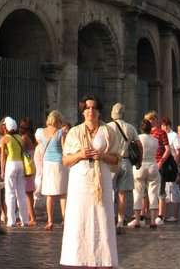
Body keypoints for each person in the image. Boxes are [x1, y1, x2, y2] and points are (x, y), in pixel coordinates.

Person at [60, 94, 120, 268]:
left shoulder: (108, 131)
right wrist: (80, 154)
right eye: (87, 108)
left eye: (94, 108)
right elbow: (66, 160)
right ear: (82, 111)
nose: (90, 111)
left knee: (103, 218)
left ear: (99, 110)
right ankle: (78, 258)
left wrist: (102, 156)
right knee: (80, 219)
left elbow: (117, 158)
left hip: (102, 179)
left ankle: (104, 259)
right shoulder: (74, 132)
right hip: (80, 181)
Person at [109, 102, 140, 234]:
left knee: (109, 193)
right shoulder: (130, 128)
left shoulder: (107, 127)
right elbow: (139, 145)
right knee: (122, 194)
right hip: (126, 162)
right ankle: (120, 222)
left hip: (111, 162)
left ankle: (109, 220)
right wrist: (139, 160)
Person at [36, 110, 68, 230]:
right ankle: (65, 220)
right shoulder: (60, 132)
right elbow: (64, 149)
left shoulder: (42, 132)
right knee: (62, 193)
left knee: (50, 194)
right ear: (58, 121)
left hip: (47, 163)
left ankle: (50, 221)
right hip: (59, 162)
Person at [128, 118, 161, 229]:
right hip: (152, 165)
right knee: (153, 193)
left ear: (141, 128)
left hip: (140, 166)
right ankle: (152, 221)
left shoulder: (138, 139)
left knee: (137, 193)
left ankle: (137, 220)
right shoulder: (155, 140)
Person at [0, 115, 32, 227]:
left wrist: (2, 170)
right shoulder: (19, 137)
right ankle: (25, 220)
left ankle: (11, 221)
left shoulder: (5, 139)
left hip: (10, 164)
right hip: (20, 165)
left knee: (10, 193)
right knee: (21, 193)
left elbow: (3, 156)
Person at [141, 110, 169, 226]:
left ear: (154, 120)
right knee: (144, 192)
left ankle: (160, 215)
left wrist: (161, 161)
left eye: (148, 120)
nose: (146, 122)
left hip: (157, 164)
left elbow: (167, 149)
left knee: (160, 191)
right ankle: (143, 214)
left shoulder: (161, 133)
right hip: (146, 164)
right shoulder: (146, 134)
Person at [160, 116, 180, 223]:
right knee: (165, 191)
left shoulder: (174, 136)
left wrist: (176, 166)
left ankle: (175, 215)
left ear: (168, 126)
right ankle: (163, 214)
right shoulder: (162, 135)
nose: (163, 127)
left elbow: (178, 152)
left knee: (174, 190)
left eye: (165, 125)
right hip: (164, 166)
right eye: (162, 125)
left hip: (172, 165)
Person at [19, 117, 38, 225]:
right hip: (32, 165)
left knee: (28, 193)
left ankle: (32, 218)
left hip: (27, 166)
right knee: (29, 192)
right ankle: (30, 217)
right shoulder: (32, 137)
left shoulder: (24, 138)